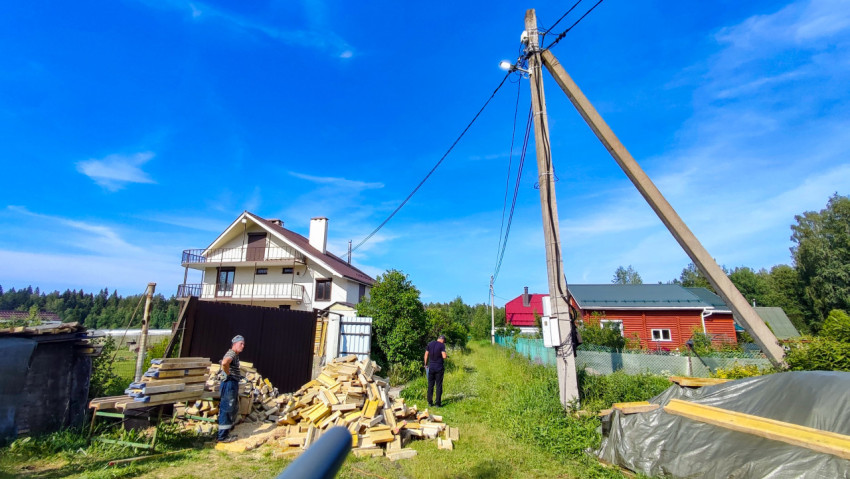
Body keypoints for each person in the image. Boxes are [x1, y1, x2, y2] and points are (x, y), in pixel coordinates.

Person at [217, 334, 245, 442]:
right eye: (241, 343)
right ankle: (222, 437)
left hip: (232, 383)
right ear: (235, 344)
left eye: (243, 344)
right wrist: (228, 373)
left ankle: (226, 432)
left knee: (232, 408)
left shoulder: (235, 355)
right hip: (229, 384)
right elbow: (225, 362)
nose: (243, 346)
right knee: (227, 408)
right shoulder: (231, 353)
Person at [424, 334, 447, 407]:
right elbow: (444, 356)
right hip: (439, 368)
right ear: (442, 340)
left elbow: (426, 354)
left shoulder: (430, 344)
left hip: (431, 367)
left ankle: (430, 402)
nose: (443, 342)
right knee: (438, 385)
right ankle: (437, 403)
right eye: (444, 341)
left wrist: (425, 364)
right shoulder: (442, 345)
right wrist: (446, 355)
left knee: (430, 385)